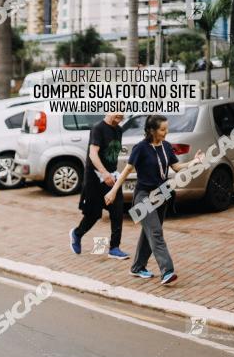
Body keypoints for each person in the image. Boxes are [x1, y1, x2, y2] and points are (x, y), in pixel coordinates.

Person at [105, 115, 203, 285]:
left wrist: (194, 162)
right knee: (156, 232)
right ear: (152, 130)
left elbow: (176, 167)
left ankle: (137, 267)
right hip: (144, 195)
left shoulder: (166, 146)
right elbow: (127, 171)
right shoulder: (140, 148)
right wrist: (113, 191)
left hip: (162, 194)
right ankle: (167, 271)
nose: (166, 132)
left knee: (149, 233)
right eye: (163, 129)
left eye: (167, 129)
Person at [69, 114, 128, 259]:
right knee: (93, 214)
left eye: (122, 115)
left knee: (118, 210)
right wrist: (104, 173)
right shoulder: (98, 129)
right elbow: (93, 154)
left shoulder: (119, 130)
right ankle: (77, 233)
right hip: (95, 177)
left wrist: (112, 173)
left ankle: (114, 248)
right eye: (117, 114)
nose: (119, 118)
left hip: (112, 177)